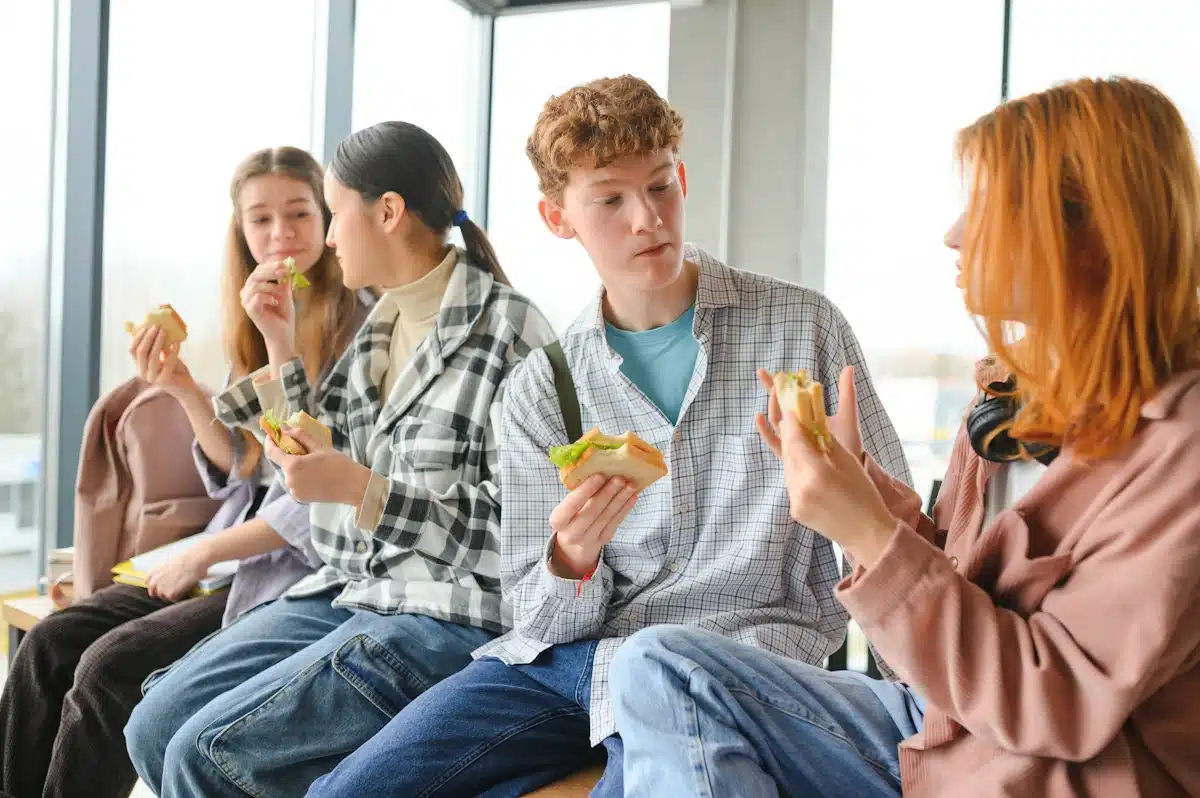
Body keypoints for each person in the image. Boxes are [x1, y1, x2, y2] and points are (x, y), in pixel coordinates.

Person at [306, 75, 909, 798]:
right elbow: (531, 610)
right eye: (610, 200)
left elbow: (900, 537)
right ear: (558, 217)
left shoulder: (803, 329)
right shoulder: (543, 385)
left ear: (681, 179)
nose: (646, 219)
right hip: (576, 665)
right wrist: (573, 555)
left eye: (659, 188)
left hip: (739, 659)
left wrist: (934, 716)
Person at [608, 76, 1200, 798]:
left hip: (1055, 771)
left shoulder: (1183, 447)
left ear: (1092, 229)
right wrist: (875, 504)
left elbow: (1059, 704)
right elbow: (948, 624)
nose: (955, 234)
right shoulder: (1008, 397)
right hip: (950, 729)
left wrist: (864, 531)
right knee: (657, 666)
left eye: (986, 208)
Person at [124, 121, 556, 798]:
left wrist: (365, 492)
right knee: (151, 725)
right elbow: (312, 497)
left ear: (386, 212)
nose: (325, 238)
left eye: (332, 213)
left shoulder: (512, 332)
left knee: (206, 756)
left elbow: (520, 542)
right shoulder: (378, 336)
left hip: (448, 617)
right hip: (353, 593)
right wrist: (279, 346)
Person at [0, 145, 367, 798]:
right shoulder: (262, 314)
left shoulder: (363, 334)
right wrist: (183, 390)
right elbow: (246, 469)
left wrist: (201, 553)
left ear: (328, 218)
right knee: (49, 644)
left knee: (108, 669)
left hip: (298, 576)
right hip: (232, 554)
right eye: (261, 220)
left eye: (298, 215)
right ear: (241, 231)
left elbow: (317, 503)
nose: (280, 235)